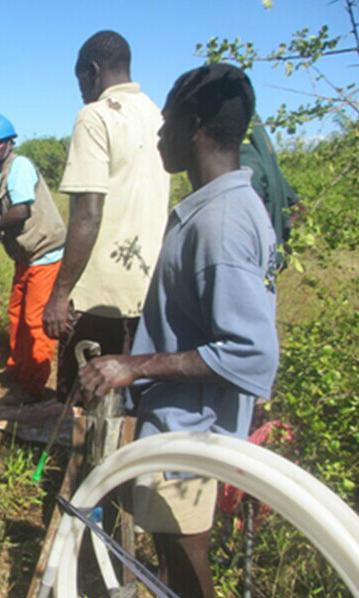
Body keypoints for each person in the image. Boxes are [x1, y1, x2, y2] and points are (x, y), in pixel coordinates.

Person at [78, 63, 279, 598]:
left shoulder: (222, 223)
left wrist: (134, 365)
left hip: (194, 433)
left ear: (194, 126)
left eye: (165, 125)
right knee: (169, 562)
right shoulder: (212, 210)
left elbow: (250, 354)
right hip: (177, 426)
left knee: (188, 570)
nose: (159, 137)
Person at [43, 30, 170, 400]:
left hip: (96, 296)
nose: (81, 90)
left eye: (80, 80)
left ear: (91, 72)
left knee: (82, 400)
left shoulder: (95, 117)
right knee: (124, 401)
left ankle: (81, 460)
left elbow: (89, 213)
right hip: (145, 290)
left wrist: (60, 293)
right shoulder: (158, 116)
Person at [0, 114, 66, 400]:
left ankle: (34, 387)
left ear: (10, 143)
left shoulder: (19, 166)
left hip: (45, 253)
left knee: (35, 322)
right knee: (16, 315)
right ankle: (18, 370)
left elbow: (20, 211)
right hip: (26, 257)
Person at [241, 114, 302, 268]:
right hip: (270, 263)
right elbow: (298, 208)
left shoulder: (247, 166)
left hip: (253, 266)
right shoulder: (267, 163)